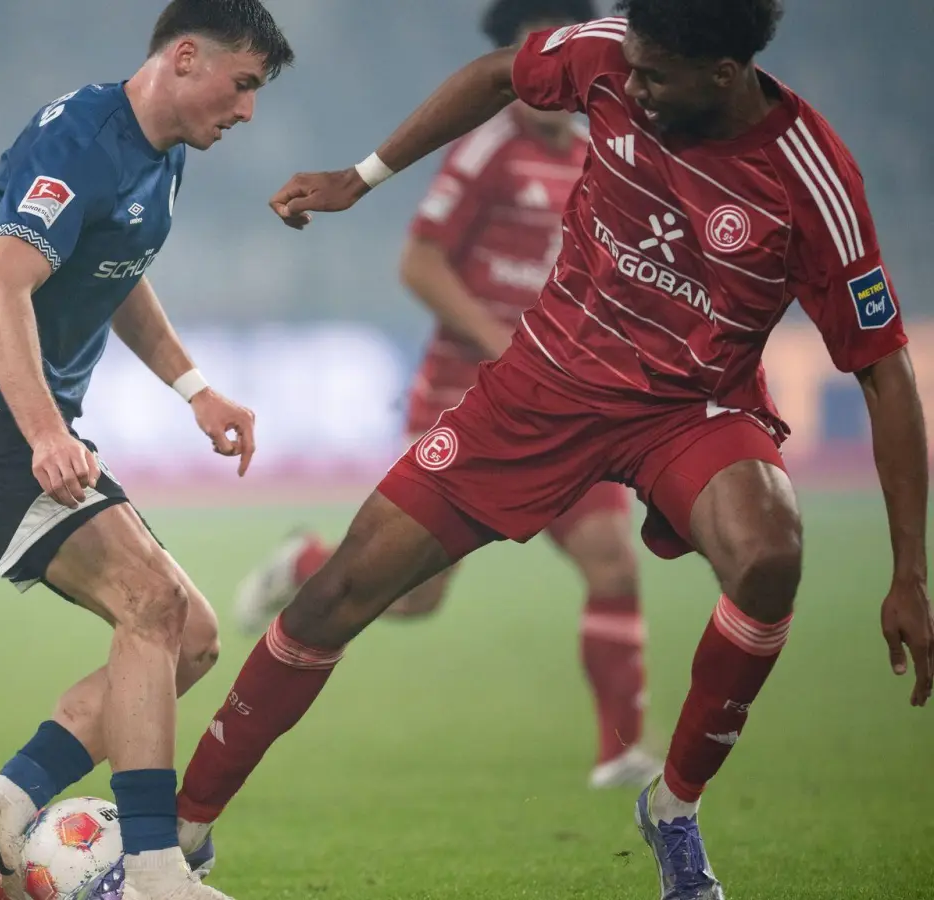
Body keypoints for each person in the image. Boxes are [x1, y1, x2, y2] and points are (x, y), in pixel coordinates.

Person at [174, 1, 934, 897]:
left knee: (771, 556)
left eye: (656, 78)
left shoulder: (812, 182)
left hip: (686, 409)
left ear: (724, 74)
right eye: (633, 69)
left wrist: (909, 572)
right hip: (543, 385)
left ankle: (674, 811)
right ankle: (181, 838)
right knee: (341, 592)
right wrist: (361, 176)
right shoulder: (611, 55)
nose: (632, 87)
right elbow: (501, 73)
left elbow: (886, 375)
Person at [0, 2, 291, 898]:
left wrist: (195, 389)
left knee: (188, 636)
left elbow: (121, 272)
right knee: (150, 602)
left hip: (23, 421)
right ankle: (155, 872)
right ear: (185, 58)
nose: (246, 113)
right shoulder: (81, 139)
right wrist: (45, 432)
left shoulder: (161, 155)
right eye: (242, 87)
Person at [232, 0, 661, 791]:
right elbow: (419, 263)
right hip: (474, 397)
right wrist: (512, 349)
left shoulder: (598, 151)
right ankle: (308, 560)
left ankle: (619, 752)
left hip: (567, 404)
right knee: (415, 594)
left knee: (611, 562)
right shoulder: (485, 150)